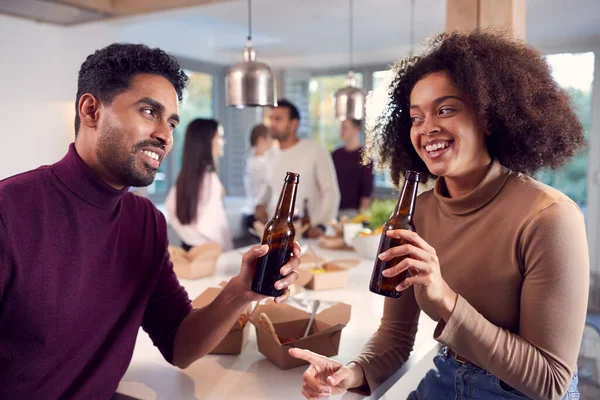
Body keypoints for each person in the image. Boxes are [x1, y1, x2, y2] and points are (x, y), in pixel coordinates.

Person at [289, 30, 588, 400]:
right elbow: (396, 336)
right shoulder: (418, 214)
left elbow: (550, 382)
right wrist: (350, 374)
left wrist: (444, 297)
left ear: (488, 117)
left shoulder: (549, 218)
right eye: (416, 117)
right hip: (446, 378)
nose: (427, 127)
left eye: (445, 109)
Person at [0, 43, 299, 399]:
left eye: (172, 121)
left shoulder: (145, 223)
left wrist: (240, 291)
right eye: (148, 111)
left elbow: (180, 345)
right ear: (91, 110)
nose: (165, 135)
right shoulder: (9, 212)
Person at [254, 99, 340, 238]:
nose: (273, 123)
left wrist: (322, 225)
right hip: (277, 235)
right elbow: (268, 190)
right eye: (271, 118)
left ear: (294, 124)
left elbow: (330, 192)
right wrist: (259, 205)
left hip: (309, 234)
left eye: (278, 119)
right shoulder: (270, 155)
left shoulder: (314, 150)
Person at [166, 118, 233, 251]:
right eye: (219, 137)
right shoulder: (210, 178)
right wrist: (221, 249)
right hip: (210, 251)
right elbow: (212, 225)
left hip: (190, 247)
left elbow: (171, 210)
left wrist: (191, 238)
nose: (223, 142)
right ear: (206, 142)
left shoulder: (186, 176)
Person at [331, 119, 374, 214]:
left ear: (355, 130)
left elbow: (367, 189)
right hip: (333, 208)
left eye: (345, 128)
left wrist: (362, 216)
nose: (341, 131)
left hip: (353, 211)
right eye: (341, 128)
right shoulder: (335, 154)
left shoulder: (365, 156)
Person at [244, 123, 276, 209]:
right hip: (259, 211)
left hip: (254, 208)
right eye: (270, 138)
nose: (272, 142)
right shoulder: (259, 163)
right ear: (261, 140)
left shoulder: (252, 158)